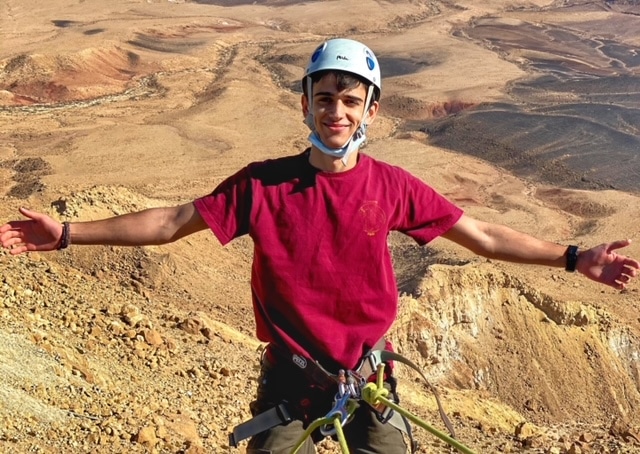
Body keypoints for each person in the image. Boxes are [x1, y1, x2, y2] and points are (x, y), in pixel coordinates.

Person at [1, 38, 639, 454]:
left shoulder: (392, 187)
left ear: (372, 112)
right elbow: (170, 223)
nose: (337, 111)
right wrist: (66, 235)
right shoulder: (262, 185)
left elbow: (482, 235)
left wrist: (571, 257)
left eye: (351, 101)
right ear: (305, 103)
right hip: (291, 378)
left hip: (371, 380)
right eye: (325, 98)